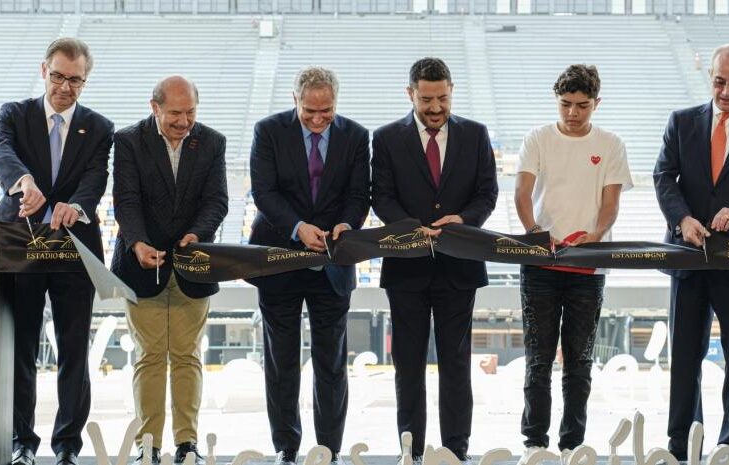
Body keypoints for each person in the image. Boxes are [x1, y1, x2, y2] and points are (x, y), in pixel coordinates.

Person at [371, 57, 498, 465]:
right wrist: (409, 228)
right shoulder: (387, 138)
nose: (436, 107)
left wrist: (462, 220)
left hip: (459, 267)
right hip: (406, 267)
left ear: (451, 91)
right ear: (410, 94)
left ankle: (455, 451)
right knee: (407, 368)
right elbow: (382, 196)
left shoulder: (476, 135)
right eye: (427, 99)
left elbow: (487, 194)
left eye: (442, 97)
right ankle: (410, 451)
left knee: (456, 366)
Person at [0, 38, 113, 465]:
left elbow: (96, 178)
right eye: (59, 76)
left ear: (85, 80)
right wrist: (23, 181)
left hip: (74, 252)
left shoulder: (100, 128)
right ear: (44, 71)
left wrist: (77, 205)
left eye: (75, 80)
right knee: (21, 347)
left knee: (74, 349)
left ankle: (66, 446)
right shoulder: (13, 113)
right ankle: (22, 442)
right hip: (19, 247)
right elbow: (2, 151)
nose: (65, 87)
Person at [247, 66, 370, 465]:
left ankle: (329, 449)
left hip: (333, 263)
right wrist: (299, 228)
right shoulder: (268, 132)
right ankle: (286, 447)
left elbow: (359, 195)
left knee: (331, 362)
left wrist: (346, 225)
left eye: (326, 112)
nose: (318, 120)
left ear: (336, 102)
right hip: (279, 260)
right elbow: (263, 192)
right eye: (309, 112)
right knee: (281, 362)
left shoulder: (356, 136)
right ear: (294, 100)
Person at [513, 64, 632, 465]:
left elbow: (611, 203)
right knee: (538, 358)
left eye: (582, 105)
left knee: (579, 360)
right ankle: (533, 441)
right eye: (565, 104)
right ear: (557, 101)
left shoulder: (611, 143)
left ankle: (571, 443)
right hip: (541, 264)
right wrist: (533, 230)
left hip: (589, 266)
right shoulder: (538, 138)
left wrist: (595, 237)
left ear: (596, 103)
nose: (573, 113)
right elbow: (522, 193)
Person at [654, 43, 729, 465]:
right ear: (711, 77)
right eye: (720, 81)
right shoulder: (681, 122)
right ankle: (682, 446)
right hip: (686, 259)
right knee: (684, 358)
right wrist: (682, 220)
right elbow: (664, 175)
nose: (726, 91)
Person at [111, 76, 228, 465]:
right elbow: (126, 200)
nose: (184, 121)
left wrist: (198, 232)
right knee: (149, 355)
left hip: (193, 265)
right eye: (175, 113)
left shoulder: (212, 142)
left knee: (186, 355)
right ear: (154, 107)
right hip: (141, 263)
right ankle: (148, 445)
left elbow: (217, 201)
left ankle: (186, 443)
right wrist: (137, 242)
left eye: (190, 112)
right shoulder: (128, 141)